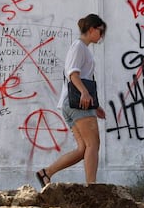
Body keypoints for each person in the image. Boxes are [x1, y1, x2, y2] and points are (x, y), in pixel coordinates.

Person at [36, 13, 107, 187]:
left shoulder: (82, 48)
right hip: (77, 103)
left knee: (83, 148)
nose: (102, 35)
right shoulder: (79, 47)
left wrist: (94, 104)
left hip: (74, 104)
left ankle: (46, 173)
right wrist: (84, 93)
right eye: (101, 31)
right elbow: (73, 74)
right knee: (93, 145)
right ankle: (92, 187)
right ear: (91, 29)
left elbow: (81, 75)